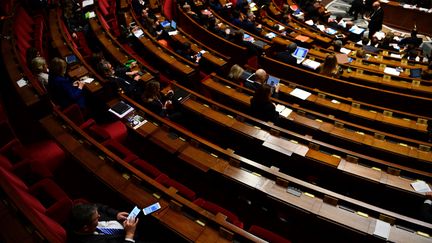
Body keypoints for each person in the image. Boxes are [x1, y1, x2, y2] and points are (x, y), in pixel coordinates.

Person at [66, 203, 139, 243]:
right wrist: (130, 234)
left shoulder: (84, 214)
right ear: (86, 228)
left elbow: (98, 206)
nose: (99, 216)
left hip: (124, 223)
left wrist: (116, 214)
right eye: (96, 218)